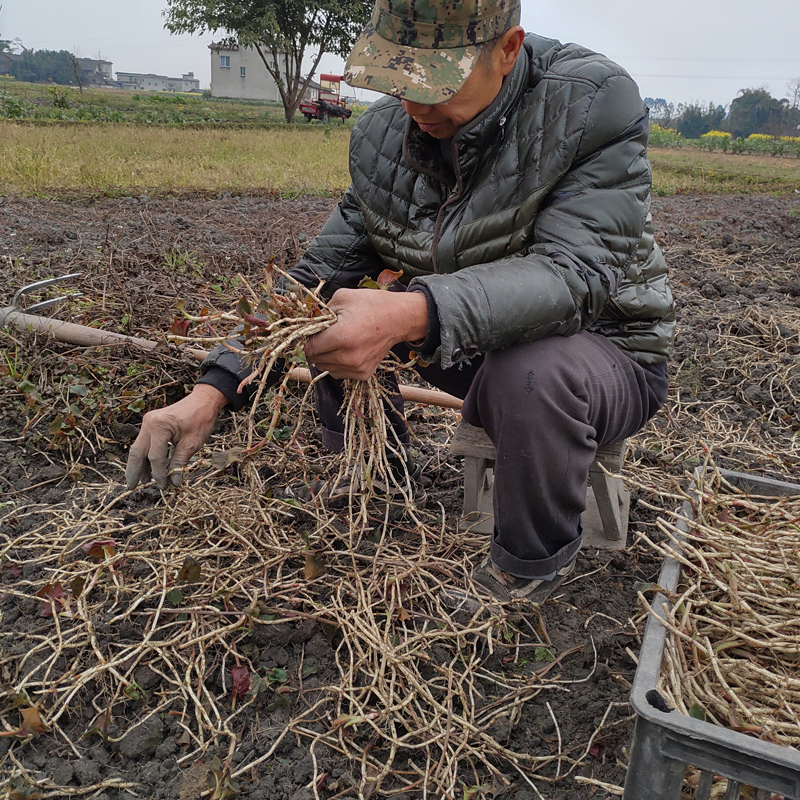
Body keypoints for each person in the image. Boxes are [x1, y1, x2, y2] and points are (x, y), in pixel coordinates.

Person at [126, 0, 674, 605]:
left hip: (602, 352)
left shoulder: (591, 103)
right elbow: (316, 279)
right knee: (337, 316)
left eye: (437, 84)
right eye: (397, 79)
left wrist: (410, 311)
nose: (414, 106)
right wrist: (210, 392)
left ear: (508, 49)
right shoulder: (384, 136)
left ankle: (527, 564)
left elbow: (574, 277)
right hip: (471, 339)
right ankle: (374, 488)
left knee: (530, 370)